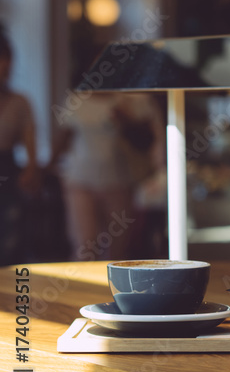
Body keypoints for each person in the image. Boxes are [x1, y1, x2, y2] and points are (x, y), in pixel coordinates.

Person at [56, 92, 164, 261]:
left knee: (117, 247)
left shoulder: (136, 100)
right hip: (81, 179)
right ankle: (83, 285)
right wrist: (47, 167)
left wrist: (126, 119)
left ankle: (112, 286)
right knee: (85, 244)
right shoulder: (76, 100)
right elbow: (66, 136)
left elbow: (151, 140)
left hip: (120, 180)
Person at [0, 25, 41, 264]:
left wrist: (32, 169)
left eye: (6, 59)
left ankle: (10, 297)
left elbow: (30, 139)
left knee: (10, 239)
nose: (4, 65)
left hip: (6, 169)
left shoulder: (19, 102)